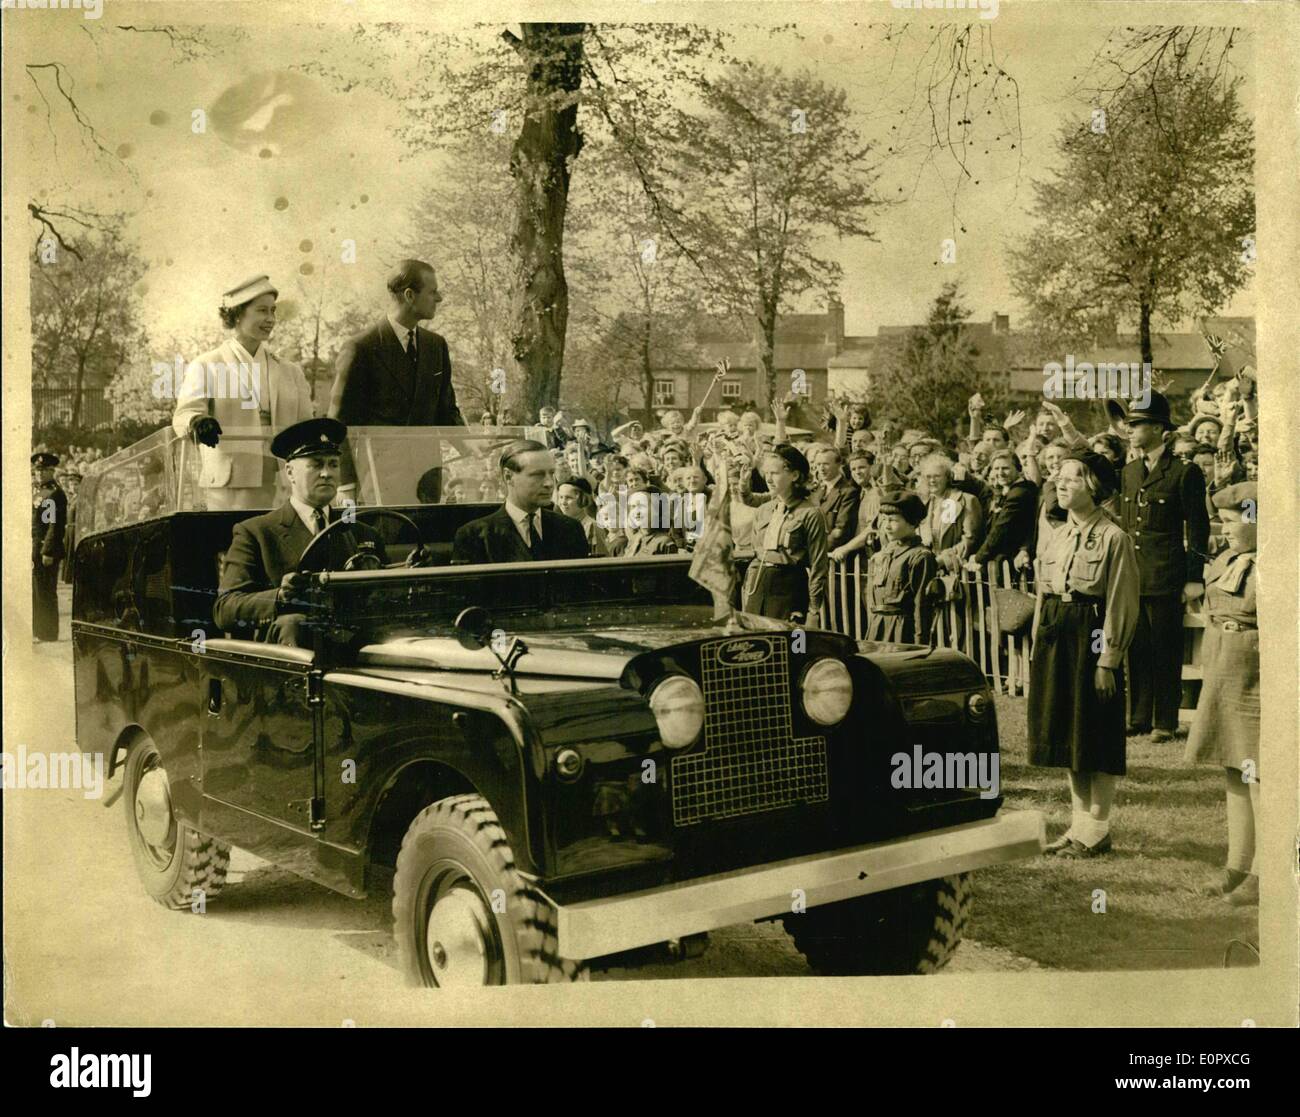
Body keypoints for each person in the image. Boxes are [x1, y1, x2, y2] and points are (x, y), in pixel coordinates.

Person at [1029, 451, 1139, 859]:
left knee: (1097, 733)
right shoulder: (1056, 534)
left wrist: (1107, 660)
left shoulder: (1115, 538)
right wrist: (1039, 643)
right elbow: (1044, 593)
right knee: (1068, 735)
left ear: (1093, 487)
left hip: (1091, 635)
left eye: (1072, 478)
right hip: (1058, 635)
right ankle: (1078, 826)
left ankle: (1097, 828)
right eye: (1059, 477)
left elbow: (1119, 602)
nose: (1061, 483)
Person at [213, 418, 381, 646]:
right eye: (316, 464)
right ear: (290, 472)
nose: (327, 473)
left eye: (333, 464)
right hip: (291, 656)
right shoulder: (256, 532)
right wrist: (279, 597)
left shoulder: (363, 533)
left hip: (356, 648)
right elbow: (225, 609)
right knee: (293, 624)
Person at [172, 275, 316, 510]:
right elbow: (183, 415)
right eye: (261, 311)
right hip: (230, 487)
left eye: (273, 311)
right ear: (237, 314)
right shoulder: (207, 364)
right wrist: (197, 421)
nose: (270, 319)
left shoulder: (291, 371)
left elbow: (306, 428)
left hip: (284, 484)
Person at [1117, 390, 1210, 742]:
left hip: (1166, 575)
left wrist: (1193, 578)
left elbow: (1197, 529)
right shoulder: (1128, 472)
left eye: (1137, 424)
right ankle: (1139, 717)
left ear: (1158, 429)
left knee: (1164, 649)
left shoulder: (1184, 473)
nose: (1130, 430)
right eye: (1129, 424)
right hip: (1133, 574)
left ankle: (1164, 721)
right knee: (1135, 647)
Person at [1184, 482, 1259, 906]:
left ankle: (1263, 873)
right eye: (1224, 522)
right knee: (1234, 768)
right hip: (1224, 667)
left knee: (1260, 774)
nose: (1226, 530)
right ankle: (1237, 864)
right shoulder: (1228, 558)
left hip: (1256, 674)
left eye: (1234, 522)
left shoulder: (1278, 562)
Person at [328, 259, 465, 428]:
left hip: (427, 455)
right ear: (409, 295)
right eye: (433, 292)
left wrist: (474, 446)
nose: (439, 298)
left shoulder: (436, 346)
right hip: (378, 455)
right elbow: (339, 425)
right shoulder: (361, 347)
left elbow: (446, 413)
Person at [451, 439, 588, 564]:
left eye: (551, 473)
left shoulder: (570, 529)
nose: (549, 483)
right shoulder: (474, 536)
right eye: (537, 475)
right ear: (508, 476)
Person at [739, 443, 828, 624]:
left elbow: (819, 566)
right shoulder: (763, 510)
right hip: (758, 586)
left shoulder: (810, 513)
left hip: (791, 590)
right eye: (767, 473)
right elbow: (757, 553)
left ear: (795, 475)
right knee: (757, 643)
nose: (769, 479)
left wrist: (814, 610)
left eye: (775, 473)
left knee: (796, 646)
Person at [863, 490, 936, 644]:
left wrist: (919, 643)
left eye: (893, 520)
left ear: (912, 523)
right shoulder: (886, 553)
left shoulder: (920, 556)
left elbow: (921, 605)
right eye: (884, 520)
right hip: (877, 626)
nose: (887, 526)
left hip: (901, 631)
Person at [966, 449, 1038, 571]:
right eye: (996, 468)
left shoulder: (1018, 494)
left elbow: (1001, 528)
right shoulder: (1012, 490)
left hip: (1010, 560)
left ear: (1018, 469)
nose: (1000, 473)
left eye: (1005, 468)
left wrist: (978, 558)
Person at [32, 451, 67, 642]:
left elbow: (53, 525)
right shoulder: (40, 492)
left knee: (46, 591)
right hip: (36, 547)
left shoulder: (53, 494)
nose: (39, 473)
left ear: (52, 471)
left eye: (43, 470)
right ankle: (40, 629)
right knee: (38, 590)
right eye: (37, 470)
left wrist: (47, 551)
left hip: (46, 549)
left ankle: (48, 631)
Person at [812, 445, 860, 552]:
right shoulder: (816, 490)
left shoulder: (848, 492)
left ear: (838, 464)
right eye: (818, 464)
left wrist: (817, 551)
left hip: (831, 554)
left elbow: (841, 531)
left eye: (826, 464)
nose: (821, 468)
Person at [554, 476, 610, 557]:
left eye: (568, 498)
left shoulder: (591, 526)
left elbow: (601, 560)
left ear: (583, 499)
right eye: (561, 497)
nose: (563, 502)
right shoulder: (559, 526)